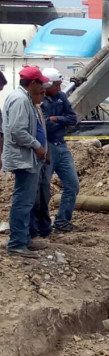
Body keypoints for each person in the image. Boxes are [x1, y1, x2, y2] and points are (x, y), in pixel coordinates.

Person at [2, 66, 50, 258]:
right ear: (33, 83)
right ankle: (16, 244)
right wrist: (37, 146)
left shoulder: (25, 99)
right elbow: (17, 131)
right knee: (22, 202)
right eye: (41, 84)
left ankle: (24, 239)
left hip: (29, 158)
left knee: (27, 201)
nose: (42, 88)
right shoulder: (20, 99)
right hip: (24, 158)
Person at [37, 68, 81, 233]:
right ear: (48, 85)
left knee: (72, 185)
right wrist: (60, 121)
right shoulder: (40, 100)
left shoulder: (61, 97)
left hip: (61, 145)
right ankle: (42, 224)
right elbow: (45, 124)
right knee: (43, 187)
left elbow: (72, 118)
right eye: (57, 84)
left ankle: (62, 221)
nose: (60, 87)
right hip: (47, 146)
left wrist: (57, 119)